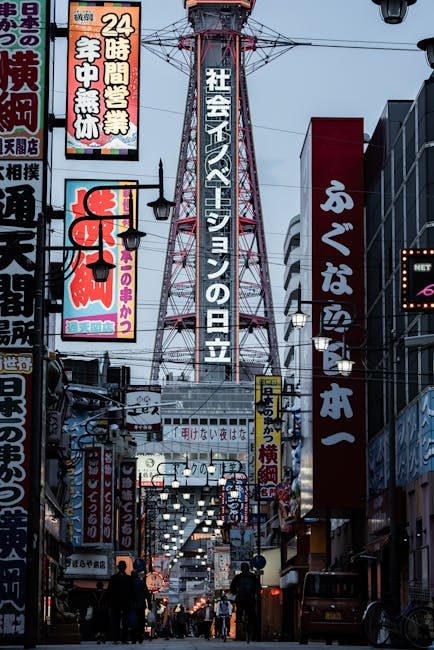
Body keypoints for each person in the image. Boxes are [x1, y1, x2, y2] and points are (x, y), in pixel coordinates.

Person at [230, 562, 258, 642]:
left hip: (241, 598)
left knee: (239, 612)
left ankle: (239, 619)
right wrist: (255, 593)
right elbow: (258, 587)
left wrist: (235, 592)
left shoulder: (238, 577)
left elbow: (232, 587)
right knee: (252, 615)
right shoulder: (253, 576)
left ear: (241, 569)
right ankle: (251, 632)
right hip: (250, 599)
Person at [107, 560, 134, 644]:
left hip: (118, 603)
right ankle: (121, 639)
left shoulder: (114, 578)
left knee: (117, 622)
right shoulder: (128, 578)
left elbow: (109, 591)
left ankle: (117, 639)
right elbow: (131, 592)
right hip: (122, 603)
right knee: (121, 622)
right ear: (125, 568)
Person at [131, 570, 151, 643]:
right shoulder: (142, 583)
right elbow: (147, 595)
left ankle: (133, 638)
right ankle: (140, 637)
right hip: (141, 606)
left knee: (133, 622)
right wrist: (149, 605)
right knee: (141, 622)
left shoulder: (131, 583)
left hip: (133, 606)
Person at [89, 580, 109, 644]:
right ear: (102, 586)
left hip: (95, 611)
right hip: (103, 611)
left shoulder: (93, 593)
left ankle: (98, 637)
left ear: (96, 586)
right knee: (103, 624)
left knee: (96, 625)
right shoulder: (105, 593)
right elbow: (107, 602)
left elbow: (91, 603)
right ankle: (102, 636)